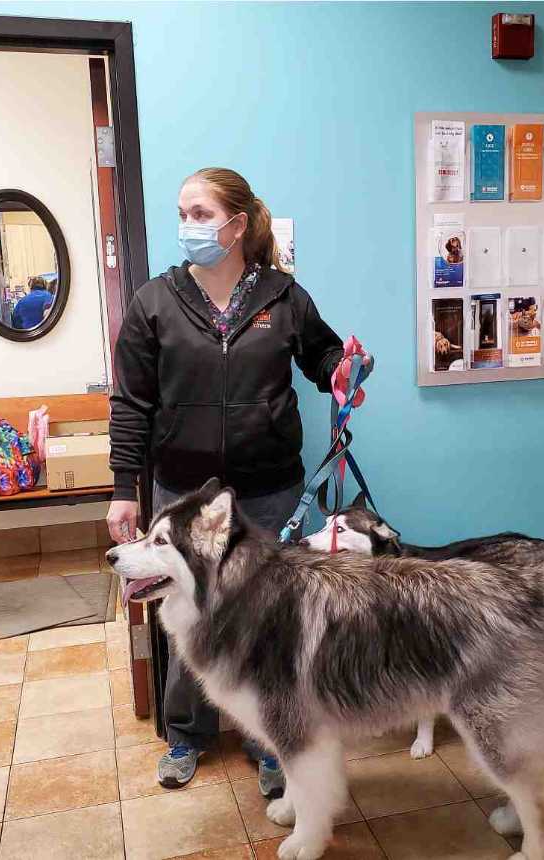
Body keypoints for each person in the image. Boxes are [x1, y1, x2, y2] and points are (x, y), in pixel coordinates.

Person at [106, 167, 372, 797]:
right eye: (183, 213)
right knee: (185, 615)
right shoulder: (154, 302)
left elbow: (326, 359)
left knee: (272, 623)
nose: (188, 226)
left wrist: (348, 368)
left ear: (238, 224)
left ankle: (273, 741)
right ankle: (186, 733)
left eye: (201, 214)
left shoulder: (283, 298)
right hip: (183, 496)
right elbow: (131, 405)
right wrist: (124, 488)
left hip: (270, 489)